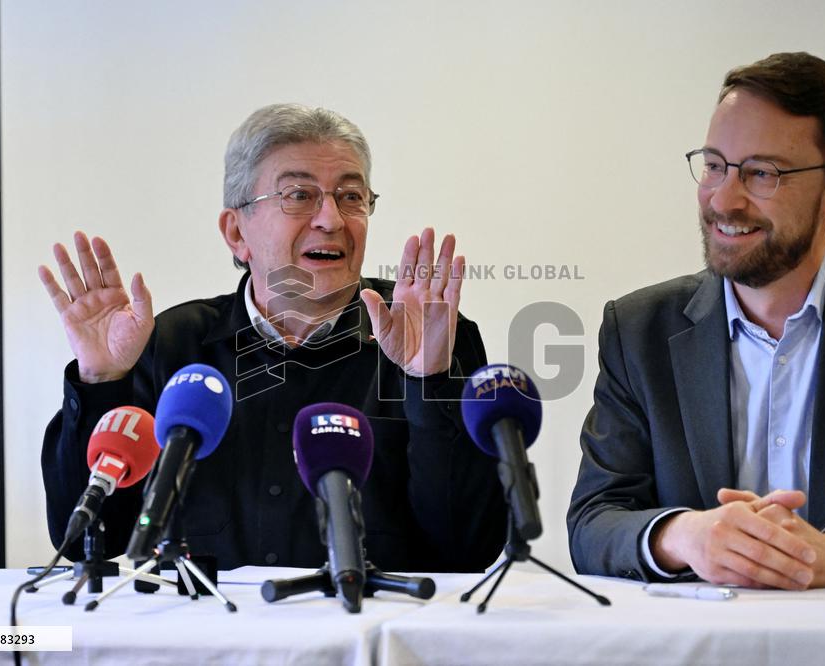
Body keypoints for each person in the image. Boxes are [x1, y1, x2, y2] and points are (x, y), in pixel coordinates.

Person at [39, 103, 506, 572]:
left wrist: (428, 381)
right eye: (299, 195)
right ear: (236, 232)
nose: (331, 219)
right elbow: (86, 540)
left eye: (351, 196)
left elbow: (469, 550)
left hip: (372, 618)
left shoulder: (431, 335)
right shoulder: (170, 345)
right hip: (208, 618)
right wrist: (101, 383)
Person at [568, 52, 825, 589]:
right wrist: (682, 536)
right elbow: (593, 521)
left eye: (762, 173)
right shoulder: (638, 331)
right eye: (714, 165)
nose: (724, 199)